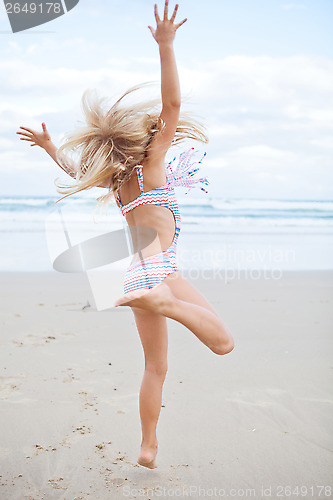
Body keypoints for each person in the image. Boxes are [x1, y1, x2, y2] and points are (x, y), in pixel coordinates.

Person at [16, 0, 234, 470]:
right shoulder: (152, 169)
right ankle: (165, 302)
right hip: (160, 276)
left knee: (156, 367)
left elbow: (77, 170)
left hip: (136, 276)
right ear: (144, 139)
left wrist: (51, 146)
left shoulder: (118, 183)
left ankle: (148, 446)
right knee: (224, 344)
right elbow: (173, 104)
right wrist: (166, 46)